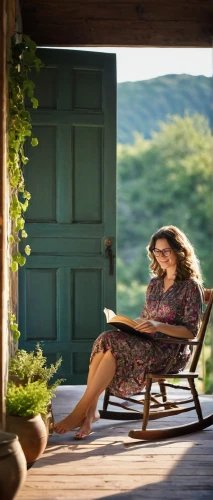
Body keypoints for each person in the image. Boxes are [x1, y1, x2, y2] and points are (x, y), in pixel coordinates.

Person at [54, 225, 203, 438]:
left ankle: (82, 410)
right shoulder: (154, 284)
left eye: (166, 250)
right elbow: (146, 317)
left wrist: (158, 326)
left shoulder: (191, 286)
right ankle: (90, 413)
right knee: (106, 339)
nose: (161, 256)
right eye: (156, 251)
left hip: (170, 352)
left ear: (179, 250)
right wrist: (136, 325)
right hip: (147, 343)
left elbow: (190, 331)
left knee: (112, 346)